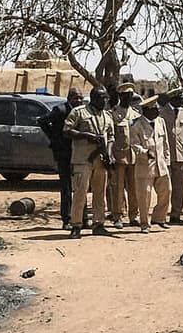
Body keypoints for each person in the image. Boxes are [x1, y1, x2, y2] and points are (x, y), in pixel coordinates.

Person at [63, 86, 116, 239]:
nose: (104, 101)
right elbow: (67, 131)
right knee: (80, 193)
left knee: (100, 193)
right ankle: (76, 225)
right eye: (101, 98)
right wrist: (86, 135)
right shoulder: (79, 112)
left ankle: (98, 224)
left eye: (105, 98)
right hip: (83, 159)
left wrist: (110, 154)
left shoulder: (107, 115)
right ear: (93, 98)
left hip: (101, 160)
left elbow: (111, 137)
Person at [38, 87, 84, 229]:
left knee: (81, 185)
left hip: (78, 153)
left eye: (81, 98)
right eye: (76, 98)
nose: (79, 100)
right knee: (66, 187)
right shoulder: (60, 110)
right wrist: (54, 138)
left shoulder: (82, 112)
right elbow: (42, 121)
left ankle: (82, 218)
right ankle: (66, 219)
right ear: (69, 98)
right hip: (63, 153)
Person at [131, 95, 172, 233]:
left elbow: (165, 143)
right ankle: (144, 223)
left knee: (167, 191)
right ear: (146, 111)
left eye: (157, 109)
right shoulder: (136, 125)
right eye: (154, 109)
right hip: (145, 166)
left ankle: (159, 218)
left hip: (161, 165)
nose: (157, 111)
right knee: (145, 196)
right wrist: (144, 152)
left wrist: (167, 161)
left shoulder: (160, 121)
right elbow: (134, 144)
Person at [158, 87, 183, 224]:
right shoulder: (161, 112)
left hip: (180, 155)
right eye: (179, 98)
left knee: (179, 187)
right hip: (165, 155)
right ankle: (161, 215)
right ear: (172, 98)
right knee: (166, 187)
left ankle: (176, 215)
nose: (181, 100)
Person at [109, 82, 141, 228]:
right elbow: (110, 136)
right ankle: (117, 216)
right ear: (120, 96)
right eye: (125, 96)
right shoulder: (113, 114)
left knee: (134, 188)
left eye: (130, 96)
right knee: (117, 188)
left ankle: (134, 216)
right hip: (119, 156)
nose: (128, 98)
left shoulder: (136, 114)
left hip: (134, 156)